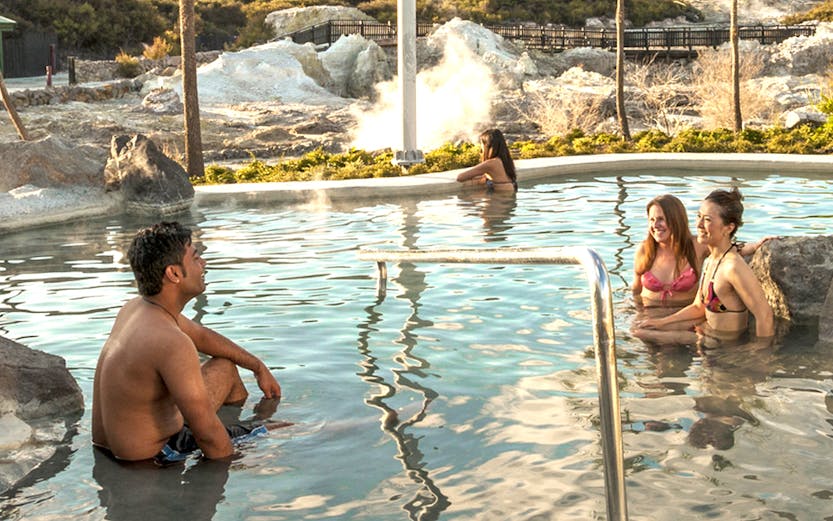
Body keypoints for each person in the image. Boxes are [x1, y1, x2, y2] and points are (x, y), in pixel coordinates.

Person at [92, 221, 282, 464]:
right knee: (289, 430)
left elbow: (201, 336)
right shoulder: (171, 342)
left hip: (112, 447)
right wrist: (242, 461)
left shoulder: (136, 309)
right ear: (173, 274)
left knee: (225, 366)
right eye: (195, 258)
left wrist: (257, 366)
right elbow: (209, 439)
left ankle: (250, 422)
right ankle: (258, 427)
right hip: (156, 457)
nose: (203, 263)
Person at [634, 187, 775, 343]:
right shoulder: (713, 261)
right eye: (699, 216)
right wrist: (660, 323)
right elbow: (698, 307)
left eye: (707, 219)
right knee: (643, 330)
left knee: (639, 334)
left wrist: (760, 354)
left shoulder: (732, 267)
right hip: (706, 337)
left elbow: (765, 316)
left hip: (722, 347)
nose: (699, 224)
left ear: (729, 228)